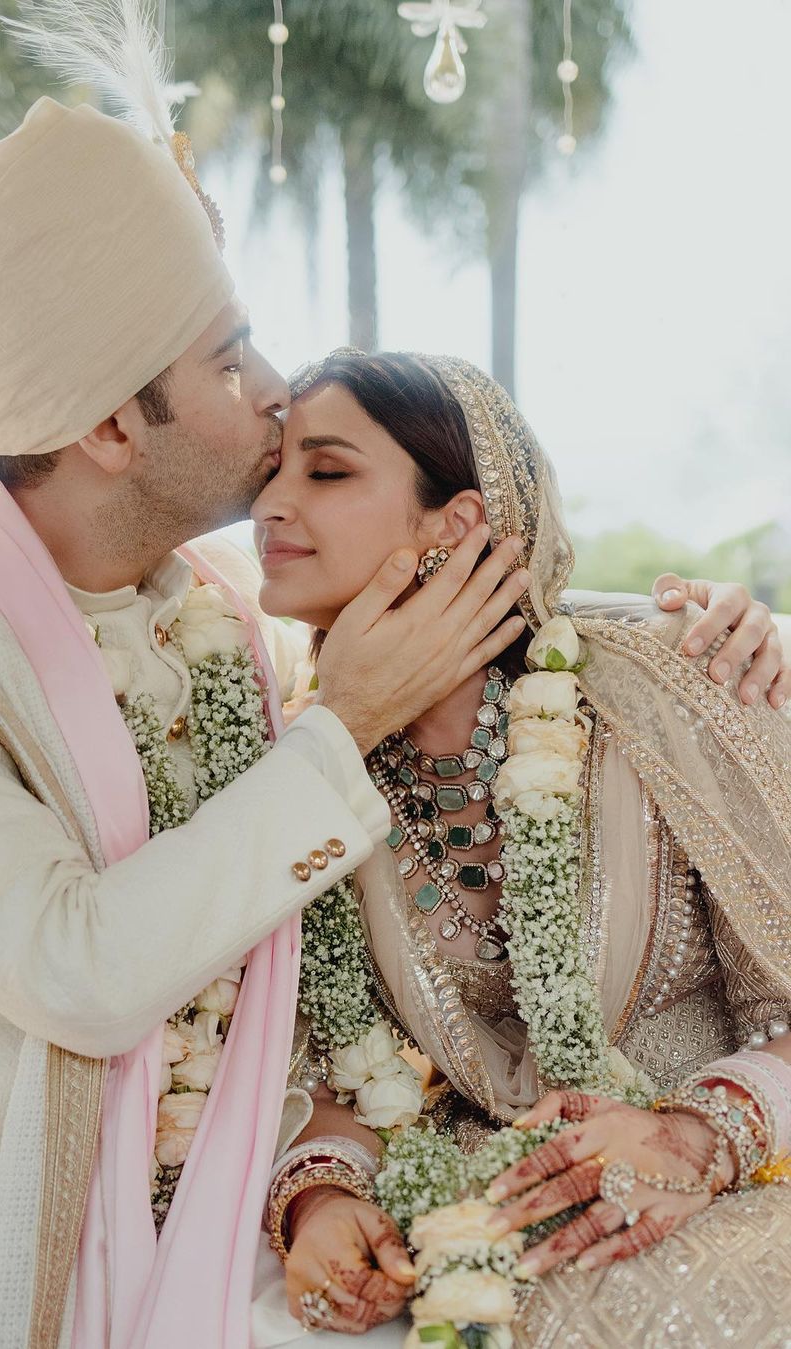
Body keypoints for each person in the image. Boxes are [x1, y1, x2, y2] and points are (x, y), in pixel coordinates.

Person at [0, 5, 783, 1343]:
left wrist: (725, 635)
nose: (273, 394)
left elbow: (498, 635)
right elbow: (91, 966)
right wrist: (349, 723)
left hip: (216, 1230)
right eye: (230, 359)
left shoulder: (219, 629)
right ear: (112, 425)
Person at [248, 349, 791, 1346]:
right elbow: (336, 1064)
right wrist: (320, 1203)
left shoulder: (660, 685)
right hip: (487, 1193)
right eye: (269, 471)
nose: (271, 505)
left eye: (324, 472)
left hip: (732, 1167)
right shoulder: (310, 770)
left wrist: (697, 1134)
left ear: (455, 524)